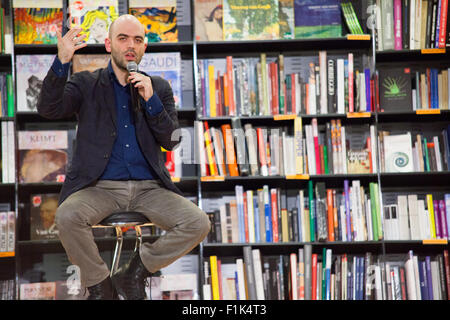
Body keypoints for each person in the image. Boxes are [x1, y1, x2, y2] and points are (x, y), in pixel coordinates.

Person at [36, 14, 210, 300]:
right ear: (108, 45)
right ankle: (101, 286)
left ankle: (135, 272)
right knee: (67, 216)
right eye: (123, 38)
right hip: (100, 188)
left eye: (138, 40)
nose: (131, 45)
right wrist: (62, 60)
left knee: (198, 223)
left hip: (149, 189)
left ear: (144, 49)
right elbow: (48, 108)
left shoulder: (159, 88)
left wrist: (151, 101)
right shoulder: (86, 84)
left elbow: (171, 141)